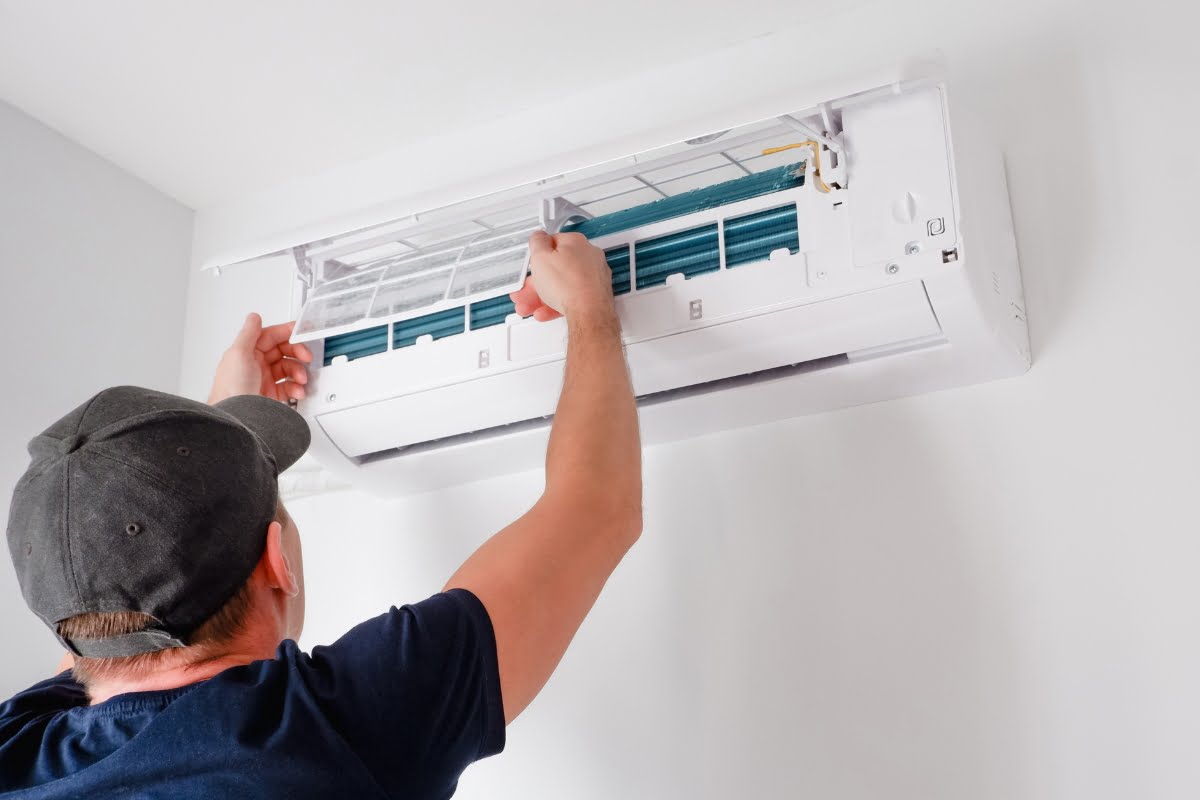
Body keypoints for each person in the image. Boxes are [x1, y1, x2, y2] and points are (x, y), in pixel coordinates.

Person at [0, 231, 642, 798]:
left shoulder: (17, 750)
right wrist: (587, 306)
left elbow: (113, 612)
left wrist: (222, 434)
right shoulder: (336, 732)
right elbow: (595, 509)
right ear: (276, 563)